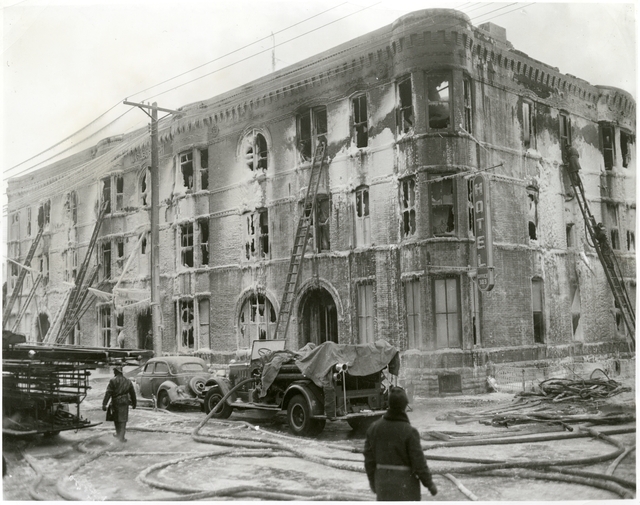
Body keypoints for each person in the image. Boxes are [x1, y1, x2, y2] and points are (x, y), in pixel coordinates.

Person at [364, 387, 437, 501]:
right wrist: (429, 484)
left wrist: (373, 483)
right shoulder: (410, 432)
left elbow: (369, 461)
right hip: (405, 486)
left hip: (383, 484)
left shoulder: (373, 429)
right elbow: (419, 463)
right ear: (404, 406)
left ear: (389, 404)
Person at [102, 365, 136, 442]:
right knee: (123, 420)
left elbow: (108, 393)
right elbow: (132, 393)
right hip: (125, 402)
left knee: (117, 419)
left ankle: (119, 435)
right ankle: (121, 436)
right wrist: (134, 403)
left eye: (114, 370)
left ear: (117, 371)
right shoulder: (128, 381)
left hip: (116, 402)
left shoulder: (112, 381)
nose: (113, 372)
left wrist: (104, 404)